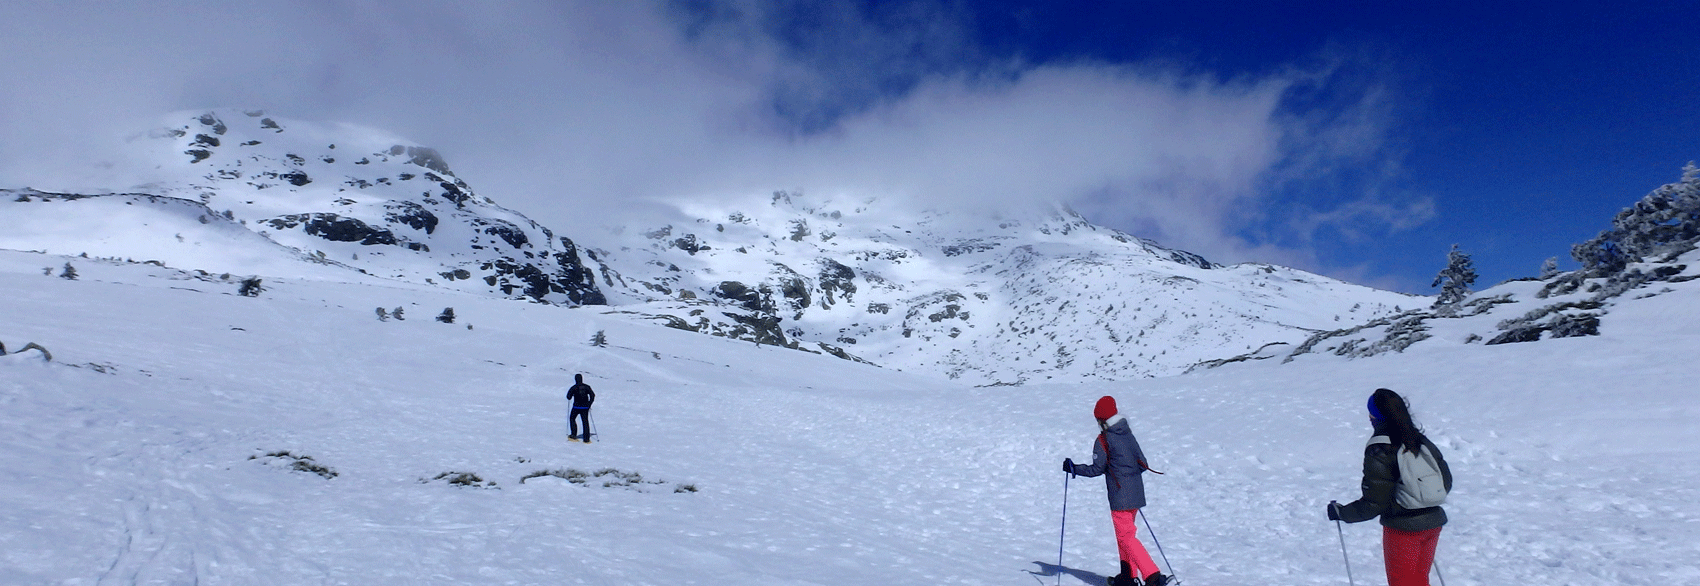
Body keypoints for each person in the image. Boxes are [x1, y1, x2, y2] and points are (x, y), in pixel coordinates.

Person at [1328, 388, 1454, 586]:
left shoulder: (1380, 448)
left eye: (1370, 412)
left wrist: (1342, 513)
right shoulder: (1419, 440)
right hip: (1432, 523)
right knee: (1419, 581)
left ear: (1376, 416)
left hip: (1404, 529)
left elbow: (1375, 502)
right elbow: (1445, 480)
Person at [1064, 396, 1170, 586]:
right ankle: (1127, 577)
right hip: (1136, 494)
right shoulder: (1127, 434)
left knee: (1126, 537)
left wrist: (1074, 468)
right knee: (1125, 535)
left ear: (1101, 420)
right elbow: (1143, 464)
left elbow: (1096, 469)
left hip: (1120, 496)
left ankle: (1153, 576)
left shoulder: (1104, 439)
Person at [565, 374, 595, 443]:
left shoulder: (574, 387)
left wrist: (572, 395)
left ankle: (573, 435)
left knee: (572, 419)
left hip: (576, 407)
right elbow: (592, 395)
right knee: (585, 421)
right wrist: (589, 403)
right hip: (585, 407)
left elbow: (568, 396)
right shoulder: (587, 387)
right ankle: (586, 439)